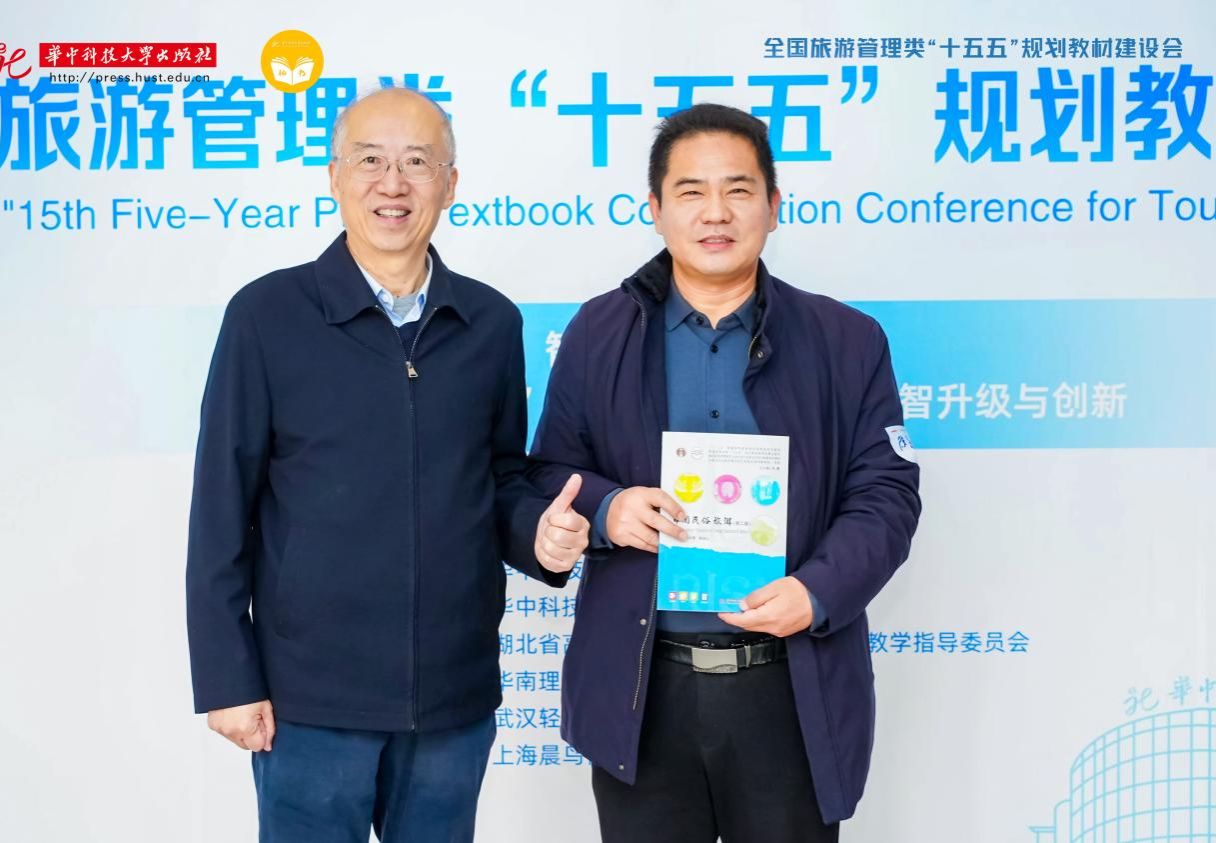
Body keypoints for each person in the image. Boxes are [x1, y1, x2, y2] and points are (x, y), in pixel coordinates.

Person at [186, 87, 589, 843]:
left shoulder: (490, 322)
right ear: (335, 177)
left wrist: (539, 533)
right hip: (308, 700)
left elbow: (499, 480)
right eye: (370, 161)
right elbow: (219, 508)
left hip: (451, 699)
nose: (392, 184)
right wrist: (226, 676)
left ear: (450, 183)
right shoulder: (266, 316)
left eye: (417, 163)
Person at [528, 103, 921, 842]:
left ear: (773, 204)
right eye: (691, 191)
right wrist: (609, 510)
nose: (716, 212)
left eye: (738, 190)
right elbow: (550, 471)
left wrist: (816, 591)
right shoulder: (597, 333)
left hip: (790, 685)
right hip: (642, 687)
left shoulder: (847, 340)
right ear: (655, 209)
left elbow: (885, 494)